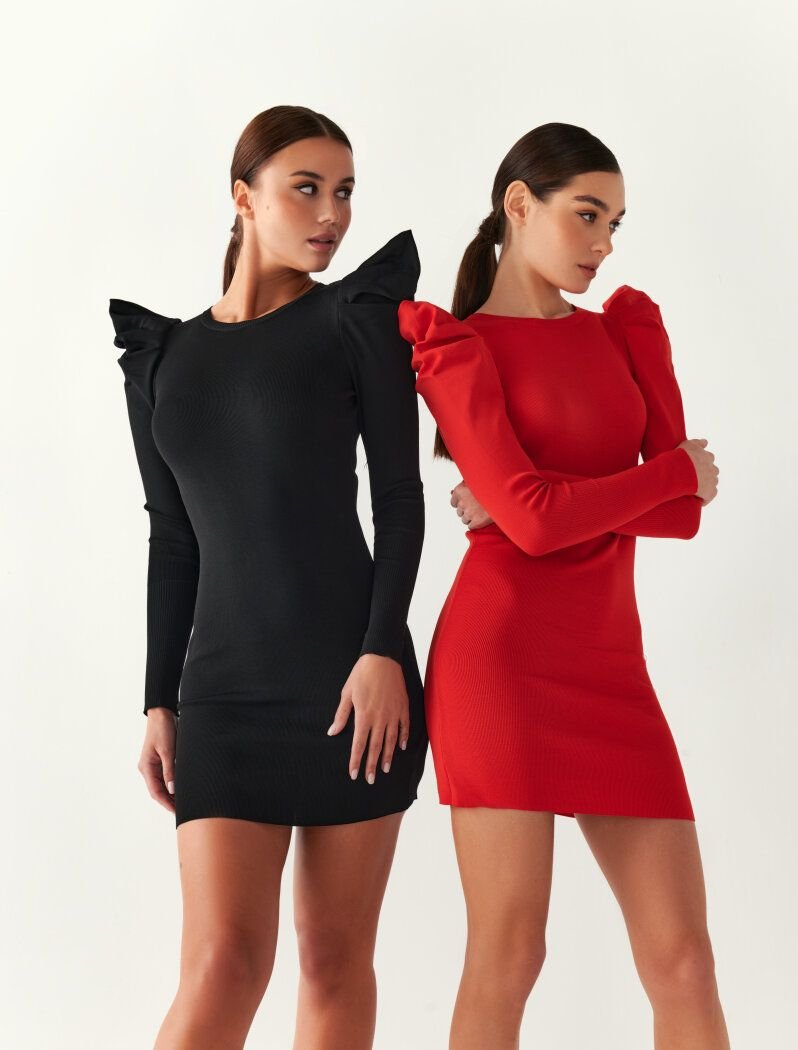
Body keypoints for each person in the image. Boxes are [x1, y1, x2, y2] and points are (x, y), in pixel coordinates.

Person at [397, 122, 729, 1049]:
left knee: (684, 962)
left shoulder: (624, 331)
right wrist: (664, 473)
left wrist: (539, 501)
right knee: (510, 955)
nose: (604, 243)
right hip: (500, 665)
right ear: (519, 205)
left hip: (611, 667)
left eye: (615, 223)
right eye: (587, 215)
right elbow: (578, 514)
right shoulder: (459, 347)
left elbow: (680, 517)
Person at [109, 105, 427, 1050]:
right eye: (307, 188)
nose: (333, 214)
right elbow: (174, 540)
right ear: (243, 197)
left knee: (333, 962)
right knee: (221, 967)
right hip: (224, 699)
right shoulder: (164, 358)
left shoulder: (354, 322)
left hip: (354, 685)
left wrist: (381, 652)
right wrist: (158, 700)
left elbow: (399, 499)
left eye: (346, 192)